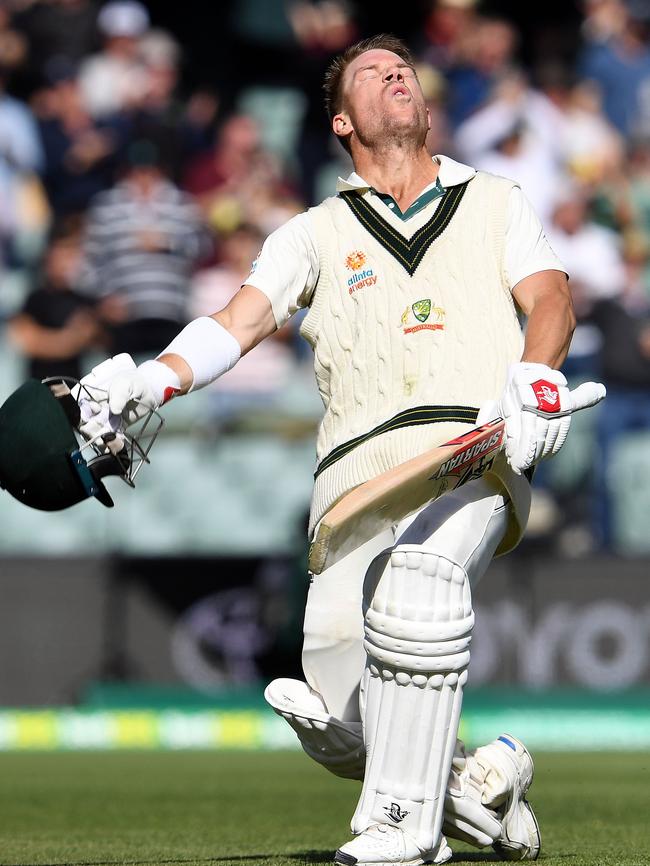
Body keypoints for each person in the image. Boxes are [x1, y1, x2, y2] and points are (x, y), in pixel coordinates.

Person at [76, 34, 604, 866]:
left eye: (405, 71)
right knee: (340, 724)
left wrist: (535, 379)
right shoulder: (314, 232)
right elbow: (238, 322)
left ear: (426, 109)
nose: (396, 74)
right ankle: (480, 788)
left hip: (470, 443)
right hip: (353, 481)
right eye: (372, 73)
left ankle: (403, 828)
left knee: (422, 587)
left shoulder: (497, 200)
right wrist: (152, 382)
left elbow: (551, 299)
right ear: (341, 121)